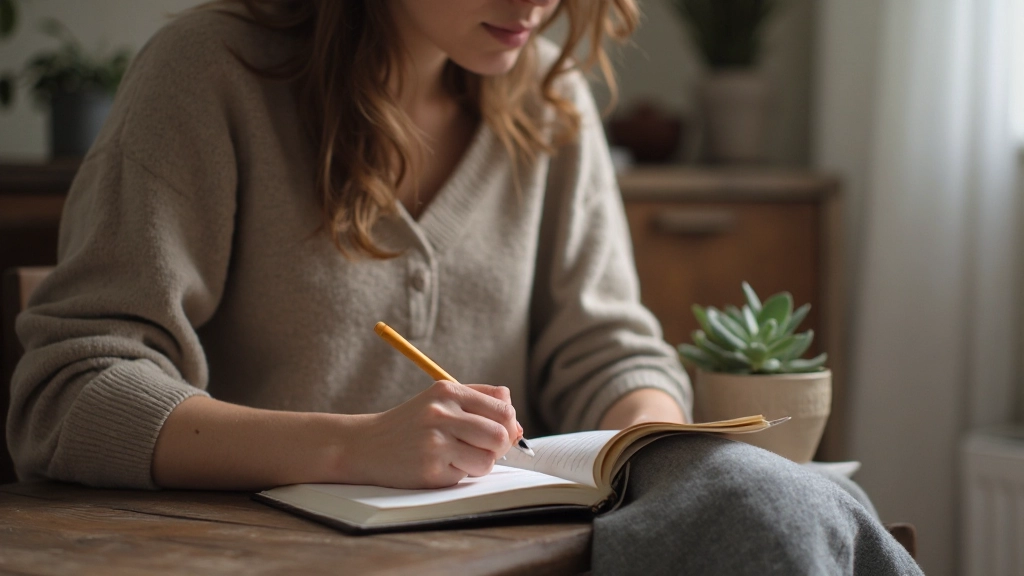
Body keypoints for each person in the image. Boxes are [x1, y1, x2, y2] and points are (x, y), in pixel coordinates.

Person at [7, 0, 921, 573]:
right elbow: (73, 394)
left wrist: (643, 442)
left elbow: (606, 344)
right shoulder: (210, 76)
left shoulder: (549, 104)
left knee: (779, 504)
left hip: (503, 552)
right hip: (256, 557)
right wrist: (351, 448)